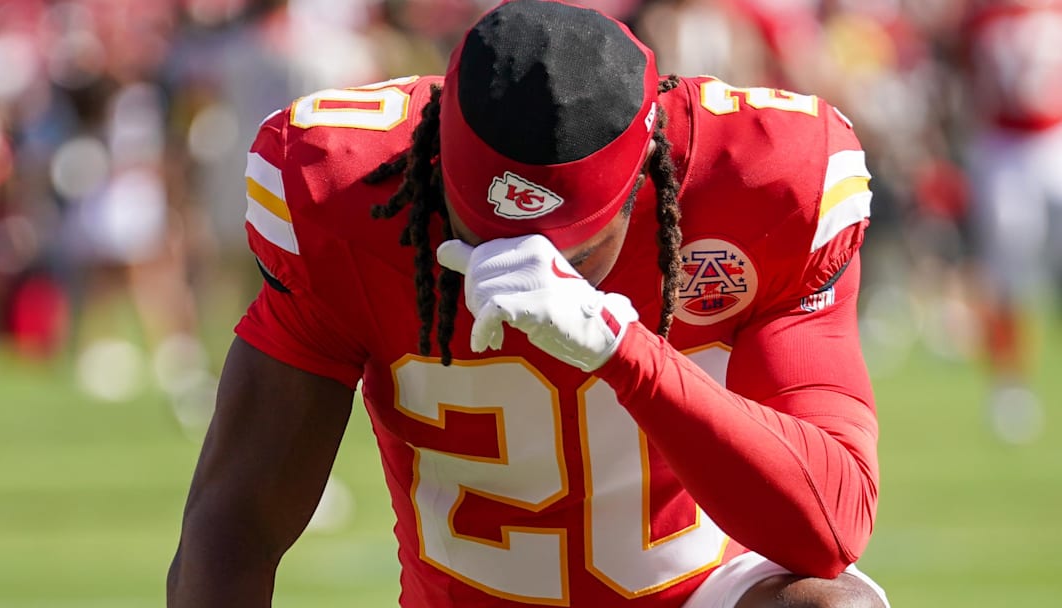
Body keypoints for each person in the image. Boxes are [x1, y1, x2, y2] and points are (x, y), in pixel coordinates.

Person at [167, 1, 889, 606]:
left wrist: (621, 349)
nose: (513, 275)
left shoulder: (764, 182)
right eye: (478, 236)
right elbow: (234, 528)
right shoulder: (347, 193)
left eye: (567, 255)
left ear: (644, 183)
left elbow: (830, 528)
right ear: (436, 155)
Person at [960, 0, 1062, 444]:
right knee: (1004, 279)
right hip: (1001, 146)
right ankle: (1008, 386)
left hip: (1054, 139)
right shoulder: (982, 15)